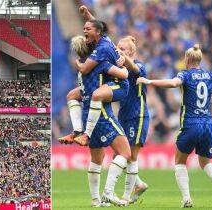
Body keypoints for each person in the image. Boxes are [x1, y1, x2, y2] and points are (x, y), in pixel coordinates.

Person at [137, 44, 212, 208]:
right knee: (206, 163)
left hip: (191, 124)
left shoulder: (186, 74)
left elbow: (174, 83)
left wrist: (150, 81)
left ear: (187, 59)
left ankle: (187, 199)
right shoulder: (210, 75)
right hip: (208, 125)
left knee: (180, 161)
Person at [68, 34, 132, 207]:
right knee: (125, 153)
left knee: (97, 159)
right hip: (102, 115)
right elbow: (124, 75)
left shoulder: (83, 68)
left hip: (87, 114)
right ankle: (108, 193)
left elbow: (76, 94)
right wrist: (125, 66)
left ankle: (96, 201)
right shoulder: (101, 64)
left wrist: (78, 129)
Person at [59, 19, 128, 146]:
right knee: (126, 155)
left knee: (81, 95)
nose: (84, 31)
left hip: (100, 99)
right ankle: (80, 133)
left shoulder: (92, 60)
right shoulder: (98, 62)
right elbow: (99, 27)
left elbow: (85, 69)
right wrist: (123, 66)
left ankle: (80, 132)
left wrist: (78, 64)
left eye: (87, 29)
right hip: (99, 112)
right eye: (84, 29)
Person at [115, 35, 149, 203]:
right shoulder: (119, 68)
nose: (118, 51)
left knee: (131, 156)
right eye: (118, 48)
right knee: (119, 154)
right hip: (123, 114)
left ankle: (126, 197)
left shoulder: (140, 66)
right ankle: (139, 184)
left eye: (122, 49)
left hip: (138, 114)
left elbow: (135, 69)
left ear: (131, 51)